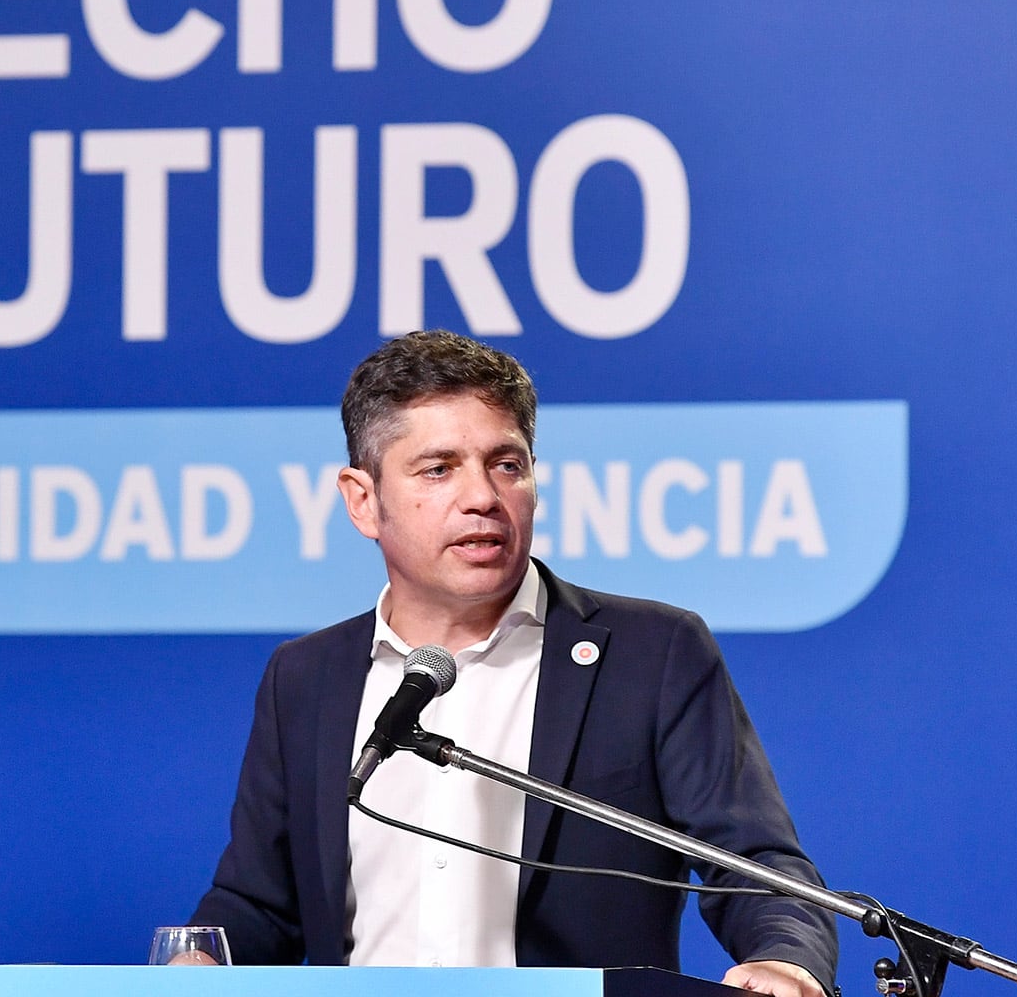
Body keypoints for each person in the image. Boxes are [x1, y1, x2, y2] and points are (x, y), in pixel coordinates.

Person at [188, 331, 837, 997]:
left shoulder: (652, 653)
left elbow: (758, 867)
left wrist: (785, 959)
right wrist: (196, 967)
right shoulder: (305, 677)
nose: (483, 498)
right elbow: (259, 904)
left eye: (506, 464)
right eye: (438, 469)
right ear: (362, 500)